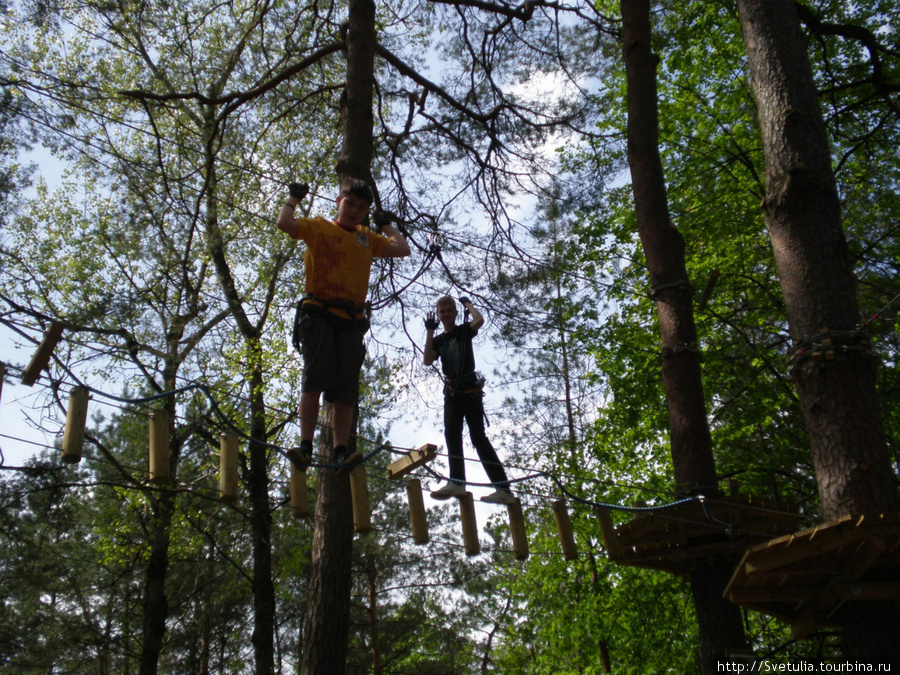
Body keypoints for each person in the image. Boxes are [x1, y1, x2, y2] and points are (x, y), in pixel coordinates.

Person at [277, 179, 410, 470]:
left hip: (351, 321)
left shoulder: (366, 237)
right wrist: (293, 199)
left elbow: (401, 249)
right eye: (350, 203)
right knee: (315, 377)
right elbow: (285, 224)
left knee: (345, 389)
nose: (354, 210)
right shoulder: (318, 226)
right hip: (319, 313)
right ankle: (305, 446)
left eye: (361, 208)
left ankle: (340, 450)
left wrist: (385, 225)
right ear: (339, 201)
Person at [423, 296, 516, 505]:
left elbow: (479, 320)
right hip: (452, 392)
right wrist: (429, 331)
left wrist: (467, 304)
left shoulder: (464, 331)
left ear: (455, 313)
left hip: (470, 390)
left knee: (478, 438)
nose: (446, 314)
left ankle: (503, 488)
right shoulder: (438, 340)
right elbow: (428, 360)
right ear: (438, 316)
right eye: (442, 312)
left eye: (449, 310)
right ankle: (457, 481)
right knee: (451, 435)